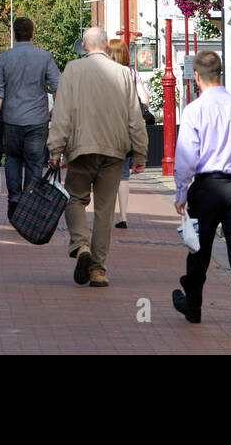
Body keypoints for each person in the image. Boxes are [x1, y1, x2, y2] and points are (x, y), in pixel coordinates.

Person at [47, 27, 147, 288]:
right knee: (105, 210)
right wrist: (140, 153)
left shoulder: (72, 70)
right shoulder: (124, 73)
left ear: (84, 46)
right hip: (115, 150)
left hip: (81, 148)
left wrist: (55, 149)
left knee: (74, 199)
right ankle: (98, 271)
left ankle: (81, 245)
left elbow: (62, 113)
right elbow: (135, 118)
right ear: (105, 45)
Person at [171, 49, 231, 334]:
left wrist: (182, 192)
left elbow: (186, 155)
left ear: (196, 77)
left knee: (198, 248)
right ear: (220, 73)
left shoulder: (194, 110)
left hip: (206, 186)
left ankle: (193, 304)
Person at [0, 17, 61, 221]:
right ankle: (30, 205)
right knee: (35, 163)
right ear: (32, 33)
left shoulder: (4, 58)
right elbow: (58, 85)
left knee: (12, 159)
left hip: (11, 119)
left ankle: (14, 199)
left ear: (14, 33)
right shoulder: (44, 57)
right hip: (37, 119)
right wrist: (55, 110)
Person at [106, 38, 148, 230]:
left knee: (105, 174)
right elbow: (144, 99)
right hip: (126, 131)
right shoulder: (132, 73)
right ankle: (123, 217)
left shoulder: (103, 73)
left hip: (106, 129)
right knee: (123, 175)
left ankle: (105, 215)